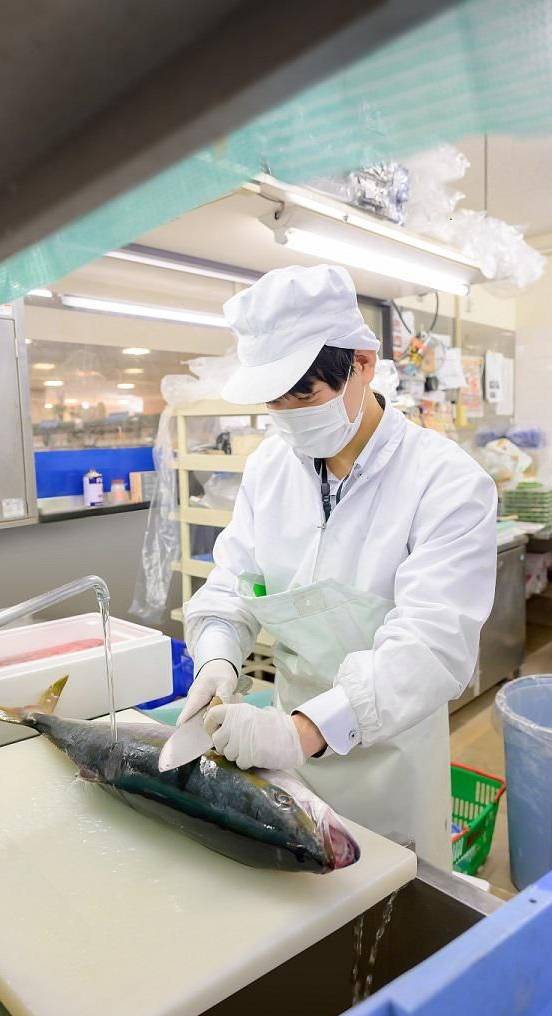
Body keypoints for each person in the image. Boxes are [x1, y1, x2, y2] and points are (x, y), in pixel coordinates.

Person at [179, 264, 497, 869]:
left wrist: (305, 731)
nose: (289, 414)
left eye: (304, 395)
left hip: (391, 763)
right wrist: (217, 656)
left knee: (388, 901)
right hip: (283, 761)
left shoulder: (446, 483)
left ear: (363, 364)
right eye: (274, 399)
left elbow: (432, 644)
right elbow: (232, 584)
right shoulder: (269, 469)